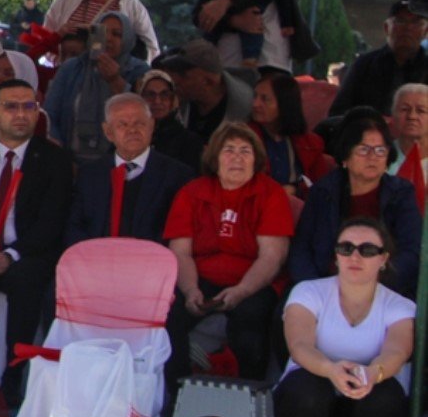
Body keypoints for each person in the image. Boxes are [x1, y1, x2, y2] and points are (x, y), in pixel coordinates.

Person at [276, 219, 415, 417]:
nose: (355, 256)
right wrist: (331, 370)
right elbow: (299, 346)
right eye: (346, 247)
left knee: (386, 393)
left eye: (367, 250)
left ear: (383, 259)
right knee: (306, 385)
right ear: (336, 255)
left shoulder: (399, 305)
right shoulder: (308, 291)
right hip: (308, 413)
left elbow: (398, 350)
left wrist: (371, 374)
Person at [0, 78, 73, 404]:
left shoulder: (54, 160)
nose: (20, 114)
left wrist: (11, 253)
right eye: (11, 106)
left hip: (22, 254)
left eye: (28, 106)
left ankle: (11, 381)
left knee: (28, 279)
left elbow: (52, 222)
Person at [163, 122, 294, 387]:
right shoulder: (191, 193)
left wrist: (242, 291)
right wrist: (190, 291)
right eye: (229, 150)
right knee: (169, 315)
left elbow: (272, 257)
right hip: (200, 277)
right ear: (214, 157)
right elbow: (180, 252)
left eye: (245, 151)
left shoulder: (271, 194)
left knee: (250, 325)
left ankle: (250, 401)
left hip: (254, 281)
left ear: (256, 159)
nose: (237, 157)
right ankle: (176, 396)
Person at [289, 110, 421, 295]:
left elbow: (411, 252)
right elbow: (301, 249)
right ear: (345, 157)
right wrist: (317, 289)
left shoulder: (401, 193)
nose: (373, 156)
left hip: (384, 287)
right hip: (325, 285)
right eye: (363, 149)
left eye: (380, 150)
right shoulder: (323, 191)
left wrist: (373, 286)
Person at [65, 93, 194, 246]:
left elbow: (178, 234)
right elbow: (75, 227)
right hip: (97, 263)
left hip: (153, 264)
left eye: (139, 123)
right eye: (122, 124)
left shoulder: (178, 176)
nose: (132, 130)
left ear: (151, 125)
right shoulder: (89, 175)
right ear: (108, 132)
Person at [43, 11, 148, 162]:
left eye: (117, 34)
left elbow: (141, 116)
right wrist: (59, 154)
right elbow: (50, 115)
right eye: (101, 32)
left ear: (127, 39)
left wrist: (115, 80)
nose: (108, 39)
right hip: (69, 161)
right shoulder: (72, 67)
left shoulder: (139, 71)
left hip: (119, 163)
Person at [330, 0, 428, 119]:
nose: (407, 27)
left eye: (415, 22)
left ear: (425, 31)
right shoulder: (364, 65)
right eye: (400, 21)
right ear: (387, 27)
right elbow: (338, 112)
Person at [250, 70, 333, 195]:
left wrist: (296, 190)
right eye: (255, 96)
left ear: (285, 104)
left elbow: (322, 187)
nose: (255, 104)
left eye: (265, 99)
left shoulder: (310, 143)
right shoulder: (244, 137)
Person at [160, 38, 254, 149]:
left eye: (184, 75)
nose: (175, 80)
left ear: (208, 81)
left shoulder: (247, 110)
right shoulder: (180, 103)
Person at [137, 68, 205, 172]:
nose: (157, 101)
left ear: (172, 100)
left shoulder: (189, 141)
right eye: (150, 95)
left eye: (164, 95)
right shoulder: (130, 134)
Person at [389, 83, 427, 212]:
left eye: (421, 110)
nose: (412, 116)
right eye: (405, 109)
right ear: (393, 115)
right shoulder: (379, 156)